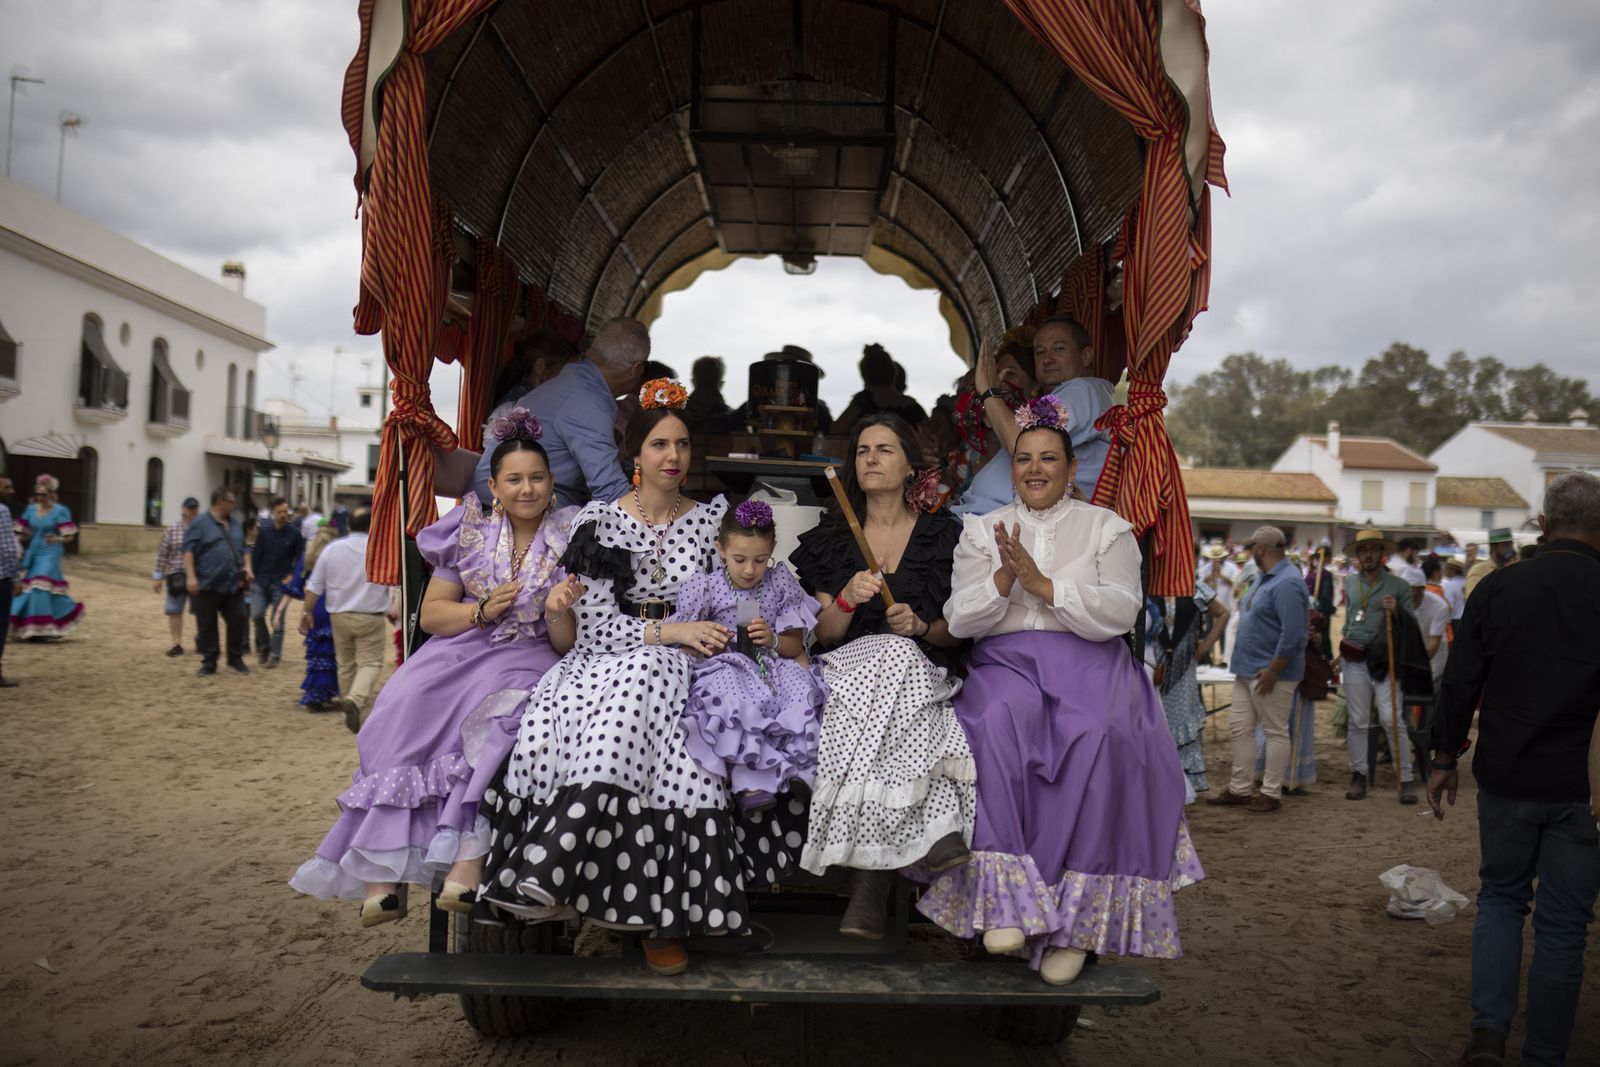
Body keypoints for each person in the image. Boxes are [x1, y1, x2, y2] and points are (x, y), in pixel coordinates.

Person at [471, 381, 803, 978]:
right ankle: (598, 894)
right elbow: (591, 619)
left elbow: (732, 599)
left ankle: (609, 894)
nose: (672, 456)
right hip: (603, 661)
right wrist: (667, 633)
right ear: (635, 456)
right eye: (658, 443)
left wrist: (719, 635)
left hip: (692, 662)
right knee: (640, 677)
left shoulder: (713, 524)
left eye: (681, 444)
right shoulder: (599, 520)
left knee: (682, 747)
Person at [917, 395, 1203, 984]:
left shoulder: (1106, 527)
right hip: (1008, 663)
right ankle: (1005, 904)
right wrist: (1003, 577)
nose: (1035, 469)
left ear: (1072, 469)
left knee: (1100, 734)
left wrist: (1044, 586)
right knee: (993, 721)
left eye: (1049, 458)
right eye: (1023, 459)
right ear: (1012, 465)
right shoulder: (980, 530)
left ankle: (1076, 926)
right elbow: (962, 619)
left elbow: (1122, 611)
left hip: (1092, 662)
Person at [291, 410, 580, 926]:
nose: (527, 488)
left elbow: (565, 641)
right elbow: (432, 615)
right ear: (493, 485)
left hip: (530, 653)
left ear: (552, 482)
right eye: (514, 479)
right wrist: (481, 610)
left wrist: (558, 608)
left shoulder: (573, 535)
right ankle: (384, 877)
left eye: (537, 477)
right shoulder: (466, 529)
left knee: (493, 714)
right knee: (404, 699)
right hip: (463, 644)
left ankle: (466, 864)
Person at [1428, 472, 1600, 1067]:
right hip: (1585, 788)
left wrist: (1445, 757)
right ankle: (1546, 1052)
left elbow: (1460, 681)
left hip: (1507, 775)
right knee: (1564, 925)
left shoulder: (1500, 589)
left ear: (1544, 526)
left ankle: (1488, 1034)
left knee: (1500, 899)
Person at [788, 412, 974, 940]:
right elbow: (824, 633)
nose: (871, 458)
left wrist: (921, 624)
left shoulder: (945, 536)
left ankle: (867, 885)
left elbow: (957, 633)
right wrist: (847, 597)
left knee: (898, 653)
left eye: (885, 449)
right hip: (846, 669)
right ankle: (930, 834)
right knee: (887, 657)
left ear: (912, 466)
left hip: (918, 672)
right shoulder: (833, 536)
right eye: (864, 450)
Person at [674, 499, 827, 812]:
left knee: (800, 687)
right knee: (733, 697)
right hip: (726, 665)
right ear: (721, 549)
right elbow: (686, 641)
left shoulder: (779, 582)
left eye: (760, 560)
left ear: (772, 551)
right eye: (740, 559)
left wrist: (772, 639)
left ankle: (804, 771)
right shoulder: (707, 586)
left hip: (771, 665)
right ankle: (750, 780)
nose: (749, 569)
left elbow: (794, 647)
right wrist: (708, 640)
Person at [470, 317, 647, 508]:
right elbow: (610, 489)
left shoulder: (571, 384)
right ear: (636, 370)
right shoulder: (587, 400)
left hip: (501, 499)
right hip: (510, 511)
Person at [961, 317, 1113, 514]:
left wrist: (989, 392)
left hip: (1001, 525)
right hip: (985, 518)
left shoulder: (1082, 390)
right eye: (1040, 352)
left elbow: (1021, 443)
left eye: (1059, 349)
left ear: (1086, 356)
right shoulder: (1060, 397)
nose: (1047, 359)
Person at [1208, 526, 1309, 814]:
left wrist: (1274, 669)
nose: (1251, 551)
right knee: (1240, 728)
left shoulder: (1287, 582)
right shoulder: (1267, 578)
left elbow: (1293, 634)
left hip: (1270, 671)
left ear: (1261, 549)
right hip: (1248, 668)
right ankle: (1240, 788)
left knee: (1275, 731)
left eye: (1253, 546)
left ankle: (1271, 792)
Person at [1333, 529, 1416, 802]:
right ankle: (1358, 776)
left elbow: (1412, 626)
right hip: (1353, 655)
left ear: (1382, 554)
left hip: (1386, 658)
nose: (1368, 554)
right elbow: (1348, 621)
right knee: (1357, 720)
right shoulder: (1350, 583)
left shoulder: (1398, 586)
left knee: (1391, 718)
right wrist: (1340, 648)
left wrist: (1398, 611)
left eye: (1373, 549)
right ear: (1357, 555)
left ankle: (1405, 777)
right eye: (1363, 549)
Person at [304, 507, 396, 729]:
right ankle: (354, 700)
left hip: (339, 614)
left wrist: (306, 612)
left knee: (344, 663)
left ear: (349, 525)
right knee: (371, 662)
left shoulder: (332, 549)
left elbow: (315, 585)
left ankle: (349, 700)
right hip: (370, 615)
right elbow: (394, 582)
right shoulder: (381, 549)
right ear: (371, 525)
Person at [1147, 572, 1228, 799]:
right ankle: (1157, 782)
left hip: (1184, 668)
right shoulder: (1148, 583)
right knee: (1156, 720)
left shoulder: (1194, 587)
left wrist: (1208, 642)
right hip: (1154, 665)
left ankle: (1184, 783)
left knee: (1182, 719)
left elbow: (1223, 613)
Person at [949, 333, 1035, 507]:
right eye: (994, 376)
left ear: (1035, 384)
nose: (1000, 383)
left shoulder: (1040, 431)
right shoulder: (974, 443)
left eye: (1010, 374)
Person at [183, 487, 251, 676]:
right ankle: (209, 662)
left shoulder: (236, 524)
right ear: (220, 502)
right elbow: (188, 551)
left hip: (233, 583)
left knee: (238, 618)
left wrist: (248, 567)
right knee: (207, 624)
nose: (235, 505)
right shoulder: (200, 523)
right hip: (208, 582)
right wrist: (190, 576)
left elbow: (244, 549)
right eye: (232, 502)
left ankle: (235, 659)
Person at [8, 474, 84, 642]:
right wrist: (17, 547)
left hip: (51, 551)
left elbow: (69, 536)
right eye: (38, 494)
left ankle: (41, 627)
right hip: (34, 552)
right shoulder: (30, 509)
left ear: (51, 493)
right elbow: (23, 533)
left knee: (39, 584)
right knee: (29, 586)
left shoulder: (61, 511)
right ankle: (34, 625)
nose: (40, 497)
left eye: (44, 494)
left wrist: (56, 539)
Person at [283, 524, 340, 710]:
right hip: (339, 605)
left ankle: (317, 695)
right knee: (336, 652)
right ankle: (334, 691)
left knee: (319, 652)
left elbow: (297, 585)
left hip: (316, 607)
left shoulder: (309, 556)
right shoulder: (339, 554)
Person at [250, 497, 304, 669]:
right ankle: (264, 645)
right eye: (279, 512)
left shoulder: (295, 534)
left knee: (277, 619)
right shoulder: (264, 533)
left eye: (285, 512)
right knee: (257, 615)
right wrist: (253, 577)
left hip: (281, 583)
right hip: (262, 581)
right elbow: (256, 557)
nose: (283, 515)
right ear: (272, 513)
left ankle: (275, 655)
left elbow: (300, 560)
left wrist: (292, 576)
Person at [833, 343, 929, 436]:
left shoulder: (862, 402)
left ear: (865, 374)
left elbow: (836, 431)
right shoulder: (911, 406)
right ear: (894, 373)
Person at [152, 496, 200, 657]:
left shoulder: (202, 530)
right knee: (174, 611)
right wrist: (157, 577)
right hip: (176, 575)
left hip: (198, 576)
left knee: (202, 611)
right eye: (190, 508)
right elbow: (162, 554)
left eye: (195, 508)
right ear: (183, 510)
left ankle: (202, 640)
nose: (193, 511)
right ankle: (177, 644)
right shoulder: (171, 530)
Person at [1403, 563, 1449, 693]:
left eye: (1412, 588)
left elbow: (1433, 643)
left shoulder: (1439, 606)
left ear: (1422, 588)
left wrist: (1414, 665)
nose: (1407, 591)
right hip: (1409, 655)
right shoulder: (1398, 603)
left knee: (1429, 692)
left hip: (1433, 656)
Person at [1197, 542, 1240, 663]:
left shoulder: (1231, 567)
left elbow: (1234, 584)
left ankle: (1223, 658)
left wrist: (1220, 575)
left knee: (1224, 631)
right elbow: (1200, 584)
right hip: (1211, 604)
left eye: (1218, 558)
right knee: (1210, 629)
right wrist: (1211, 575)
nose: (1216, 560)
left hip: (1226, 604)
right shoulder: (1205, 568)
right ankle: (1208, 656)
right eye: (1214, 558)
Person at [0, 475, 19, 686]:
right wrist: (16, 577)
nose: (11, 491)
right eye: (7, 487)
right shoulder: (3, 511)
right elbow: (7, 548)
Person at [684, 354, 733, 434]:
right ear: (721, 384)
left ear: (693, 382)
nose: (706, 393)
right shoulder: (732, 417)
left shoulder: (677, 414)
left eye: (709, 385)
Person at [1465, 528, 1515, 600]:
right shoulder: (1478, 570)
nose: (1510, 549)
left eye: (1511, 545)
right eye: (1506, 545)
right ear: (1493, 547)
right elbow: (1472, 598)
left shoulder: (1512, 569)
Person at [1441, 553, 1468, 622]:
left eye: (1447, 568)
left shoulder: (1450, 585)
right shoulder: (1466, 582)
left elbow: (1448, 607)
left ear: (1453, 570)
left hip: (1455, 621)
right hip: (1466, 619)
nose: (1444, 570)